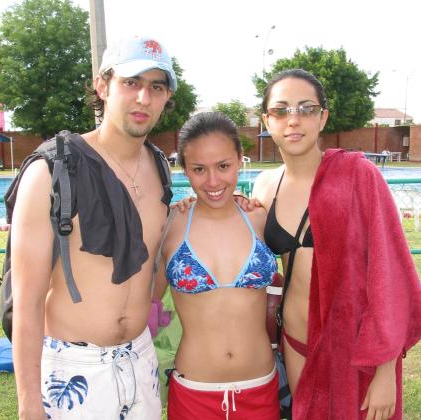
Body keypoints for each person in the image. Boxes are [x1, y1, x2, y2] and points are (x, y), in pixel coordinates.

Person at [10, 34, 177, 419]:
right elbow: (28, 301)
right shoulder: (51, 171)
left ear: (167, 97)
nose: (143, 99)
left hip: (140, 359)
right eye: (131, 83)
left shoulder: (160, 168)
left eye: (156, 87)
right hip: (73, 370)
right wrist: (29, 404)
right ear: (103, 86)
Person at [252, 68, 421, 420]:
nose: (293, 119)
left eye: (306, 108)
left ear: (323, 117)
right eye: (281, 110)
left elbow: (389, 274)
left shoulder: (357, 176)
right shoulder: (265, 186)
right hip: (294, 344)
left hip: (354, 351)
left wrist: (386, 370)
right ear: (267, 119)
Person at [153, 112, 280, 420]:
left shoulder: (260, 218)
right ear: (185, 169)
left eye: (223, 166)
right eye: (199, 169)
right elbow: (146, 302)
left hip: (260, 387)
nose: (212, 182)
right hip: (195, 390)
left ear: (239, 160)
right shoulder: (169, 224)